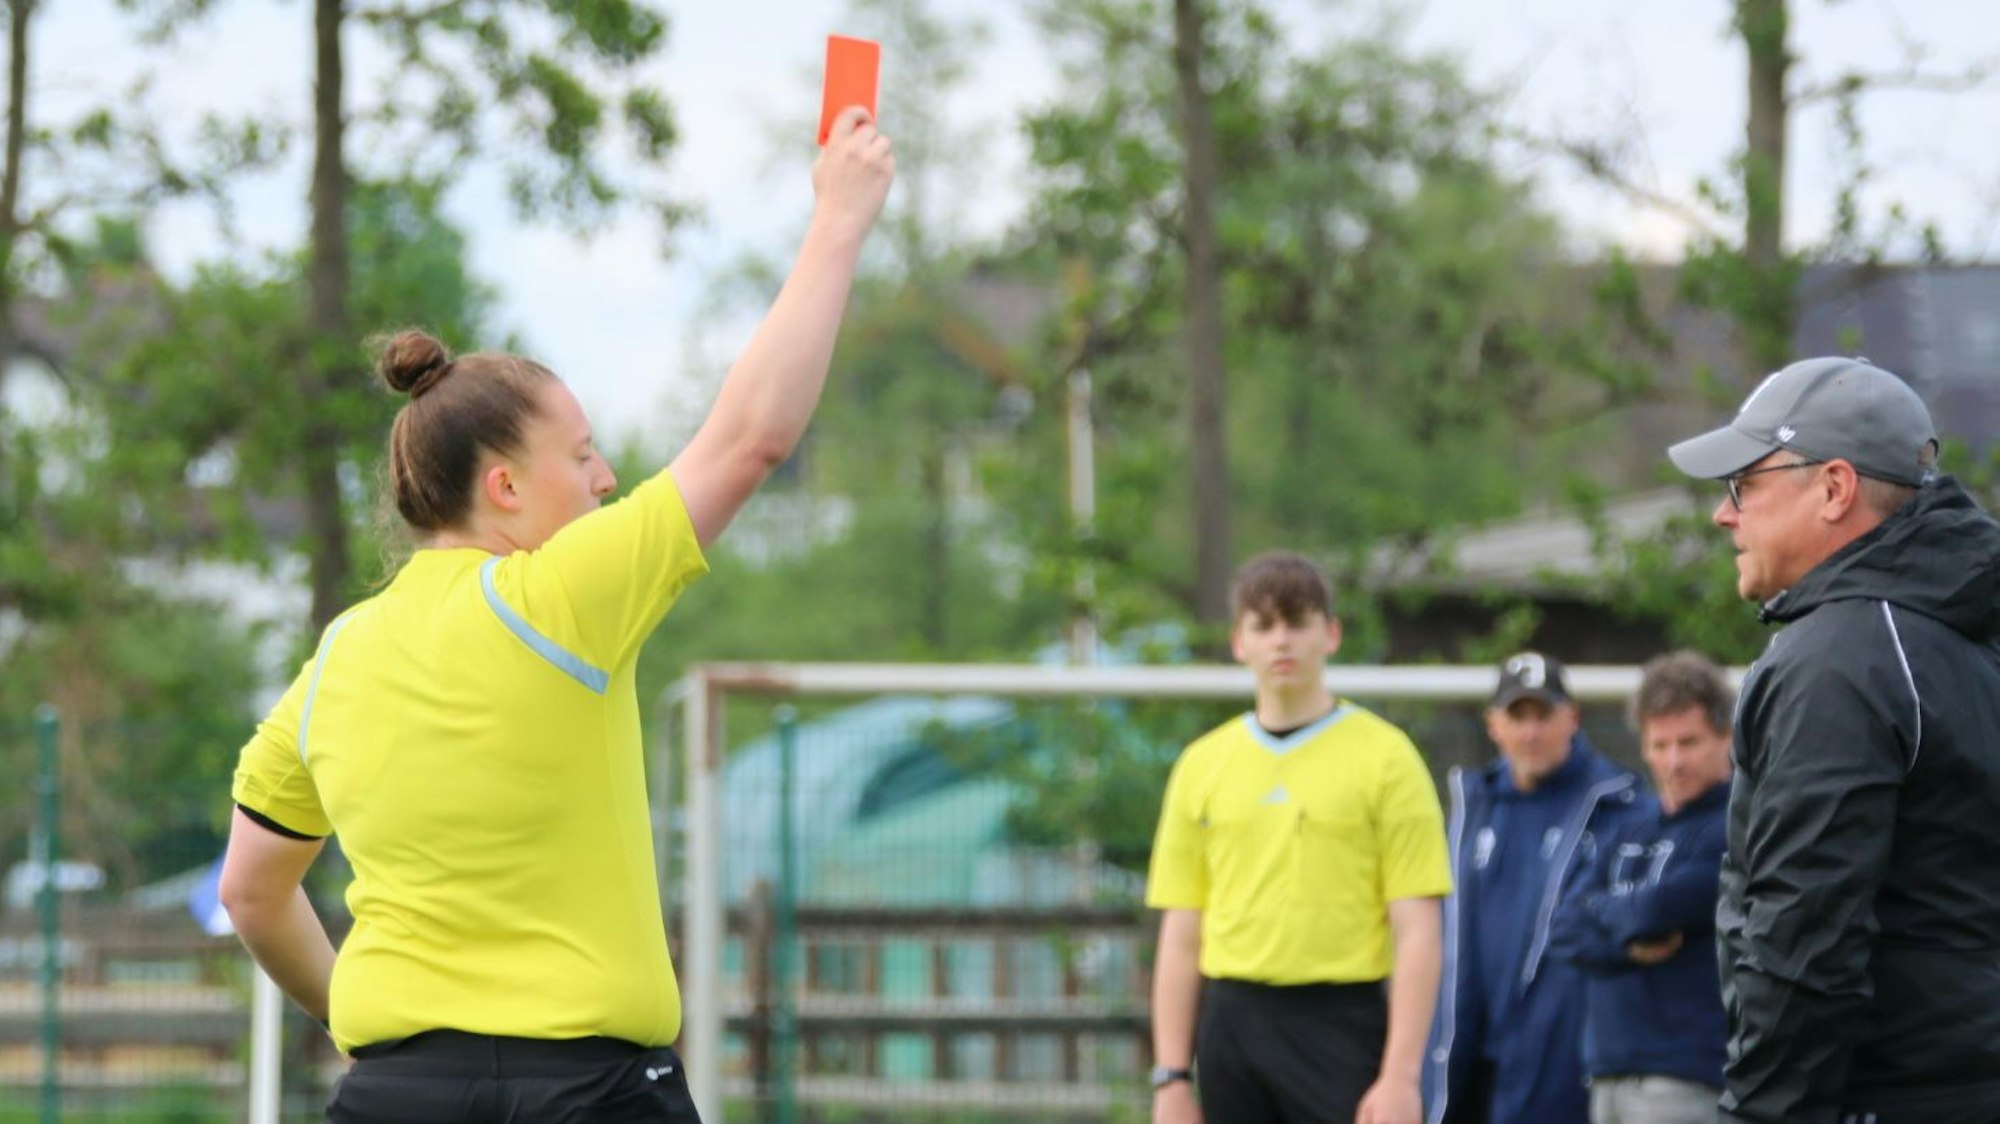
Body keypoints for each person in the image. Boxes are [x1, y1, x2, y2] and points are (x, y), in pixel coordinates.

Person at [217, 109, 894, 1123]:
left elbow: (250, 891)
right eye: (580, 456)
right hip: (587, 1091)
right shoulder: (560, 599)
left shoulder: (336, 661)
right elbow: (751, 438)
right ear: (502, 486)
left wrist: (360, 1025)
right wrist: (838, 219)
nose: (605, 476)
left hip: (395, 1095)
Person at [1666, 355, 2000, 1124]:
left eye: (1743, 484)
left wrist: (1761, 1113)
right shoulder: (1958, 630)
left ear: (1834, 488)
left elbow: (1805, 942)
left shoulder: (1841, 660)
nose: (1723, 515)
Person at [1145, 552, 1452, 1124]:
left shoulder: (1387, 758)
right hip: (1231, 1027)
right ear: (1239, 643)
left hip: (1341, 1024)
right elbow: (1182, 933)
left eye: (1297, 622)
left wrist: (1401, 1076)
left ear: (1330, 634)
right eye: (1264, 626)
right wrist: (1172, 1078)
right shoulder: (1201, 765)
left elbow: (1417, 930)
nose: (1281, 641)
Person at [1423, 651, 1638, 1124]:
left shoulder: (1615, 804)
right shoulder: (1473, 805)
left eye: (1543, 715)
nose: (1530, 733)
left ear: (1572, 718)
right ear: (1493, 724)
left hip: (1565, 1068)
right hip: (1472, 1057)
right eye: (1517, 717)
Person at [1548, 651, 1734, 1124]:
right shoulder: (1629, 826)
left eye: (1689, 742)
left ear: (1726, 737)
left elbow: (1654, 912)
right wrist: (1628, 944)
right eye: (1660, 744)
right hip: (1605, 1075)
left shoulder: (1737, 826)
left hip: (1686, 1077)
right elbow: (1563, 929)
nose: (1673, 761)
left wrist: (1602, 907)